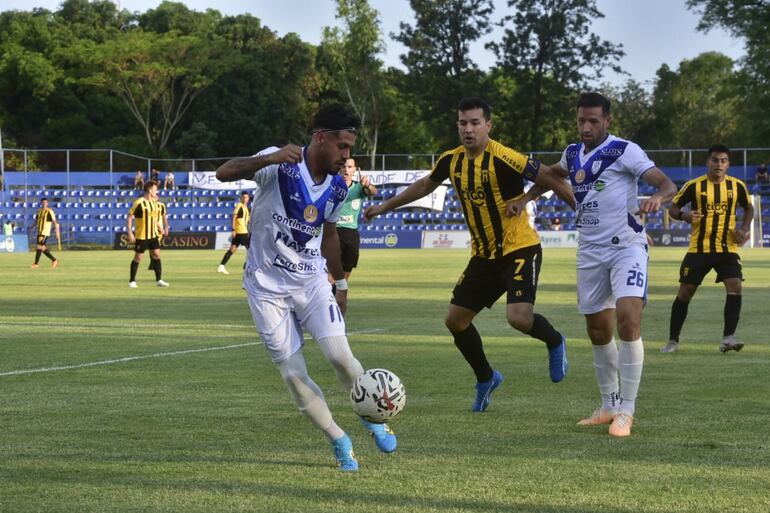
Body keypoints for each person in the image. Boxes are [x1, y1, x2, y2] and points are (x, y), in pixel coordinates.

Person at [365, 97, 576, 415]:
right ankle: (486, 378)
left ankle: (555, 339)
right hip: (483, 255)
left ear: (488, 125)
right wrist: (383, 206)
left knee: (518, 318)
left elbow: (553, 179)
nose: (468, 129)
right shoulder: (451, 161)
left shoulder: (507, 157)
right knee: (456, 321)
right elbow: (424, 185)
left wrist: (581, 215)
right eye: (463, 123)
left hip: (519, 246)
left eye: (475, 122)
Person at [214, 104, 396, 472]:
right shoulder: (278, 162)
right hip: (266, 288)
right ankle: (339, 439)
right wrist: (268, 158)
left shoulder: (339, 186)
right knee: (294, 375)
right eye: (343, 147)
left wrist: (340, 281)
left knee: (341, 358)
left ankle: (371, 417)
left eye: (350, 148)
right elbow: (223, 173)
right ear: (320, 138)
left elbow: (328, 234)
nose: (348, 156)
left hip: (311, 283)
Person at [514, 92, 677, 437]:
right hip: (590, 251)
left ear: (607, 121)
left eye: (592, 121)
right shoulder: (572, 154)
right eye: (580, 121)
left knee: (628, 321)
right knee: (598, 331)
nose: (585, 127)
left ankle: (627, 412)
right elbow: (550, 176)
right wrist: (524, 198)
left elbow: (665, 183)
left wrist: (658, 198)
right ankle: (608, 405)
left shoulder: (625, 150)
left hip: (627, 247)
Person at [661, 144, 753, 354]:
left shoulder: (737, 186)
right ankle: (673, 340)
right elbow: (673, 207)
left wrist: (745, 228)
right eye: (715, 160)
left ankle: (728, 338)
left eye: (723, 161)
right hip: (698, 249)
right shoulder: (694, 186)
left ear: (728, 164)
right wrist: (684, 216)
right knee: (685, 292)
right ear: (707, 162)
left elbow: (749, 207)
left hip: (727, 248)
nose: (719, 164)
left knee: (735, 285)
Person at [333, 158, 377, 286]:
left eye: (349, 167)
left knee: (346, 273)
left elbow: (373, 192)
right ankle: (328, 300)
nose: (346, 169)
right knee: (331, 273)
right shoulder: (332, 186)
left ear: (354, 169)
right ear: (339, 169)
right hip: (334, 231)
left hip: (351, 233)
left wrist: (368, 185)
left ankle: (339, 297)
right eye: (343, 166)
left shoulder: (359, 187)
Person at [127, 180, 169, 288]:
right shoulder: (139, 202)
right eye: (155, 189)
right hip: (142, 236)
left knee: (156, 255)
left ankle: (159, 280)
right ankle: (132, 281)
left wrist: (160, 228)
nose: (156, 191)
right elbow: (130, 216)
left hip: (153, 235)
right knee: (138, 258)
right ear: (150, 190)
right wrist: (130, 232)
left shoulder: (154, 203)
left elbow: (154, 219)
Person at [217, 191, 251, 274]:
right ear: (241, 198)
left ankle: (221, 266)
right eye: (243, 197)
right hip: (241, 231)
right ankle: (247, 267)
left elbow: (248, 220)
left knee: (232, 249)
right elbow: (234, 216)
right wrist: (233, 229)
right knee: (251, 249)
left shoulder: (245, 207)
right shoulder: (239, 205)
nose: (245, 199)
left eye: (246, 197)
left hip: (242, 231)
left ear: (248, 198)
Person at [31, 197, 60, 269]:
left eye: (45, 202)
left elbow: (54, 222)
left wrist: (57, 232)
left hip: (45, 232)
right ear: (41, 203)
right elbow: (36, 221)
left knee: (39, 247)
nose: (44, 204)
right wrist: (32, 227)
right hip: (40, 232)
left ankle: (36, 264)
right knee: (42, 248)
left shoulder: (50, 211)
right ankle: (54, 260)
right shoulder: (39, 211)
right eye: (43, 202)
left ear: (47, 203)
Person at [148, 196, 169, 271]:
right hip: (151, 228)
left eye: (155, 196)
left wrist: (166, 227)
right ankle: (153, 263)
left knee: (155, 246)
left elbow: (164, 217)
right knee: (152, 247)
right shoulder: (149, 205)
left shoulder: (161, 205)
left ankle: (153, 263)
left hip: (159, 229)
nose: (154, 197)